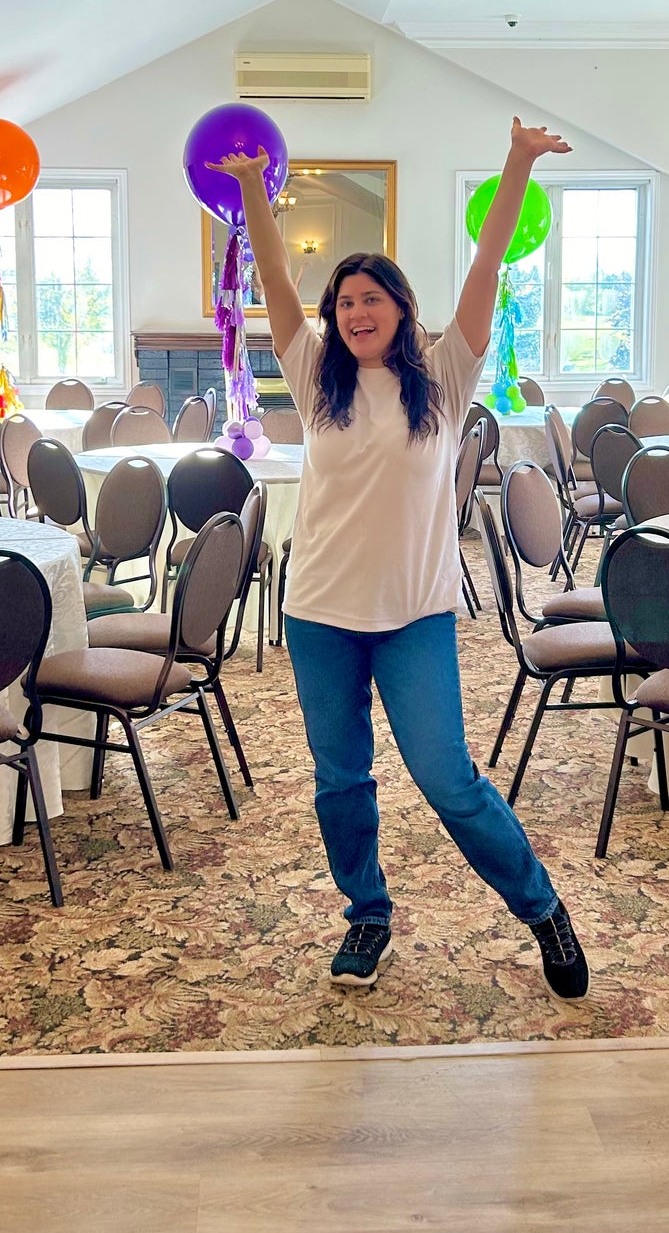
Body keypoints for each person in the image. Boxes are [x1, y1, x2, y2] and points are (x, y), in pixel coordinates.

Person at [207, 120, 589, 1000]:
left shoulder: (446, 374)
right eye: (344, 302)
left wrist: (518, 162)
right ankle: (366, 913)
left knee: (447, 778)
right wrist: (255, 197)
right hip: (320, 613)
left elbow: (486, 268)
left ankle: (541, 909)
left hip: (413, 614)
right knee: (340, 778)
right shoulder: (312, 374)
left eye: (371, 298)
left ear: (400, 307)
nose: (356, 312)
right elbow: (272, 282)